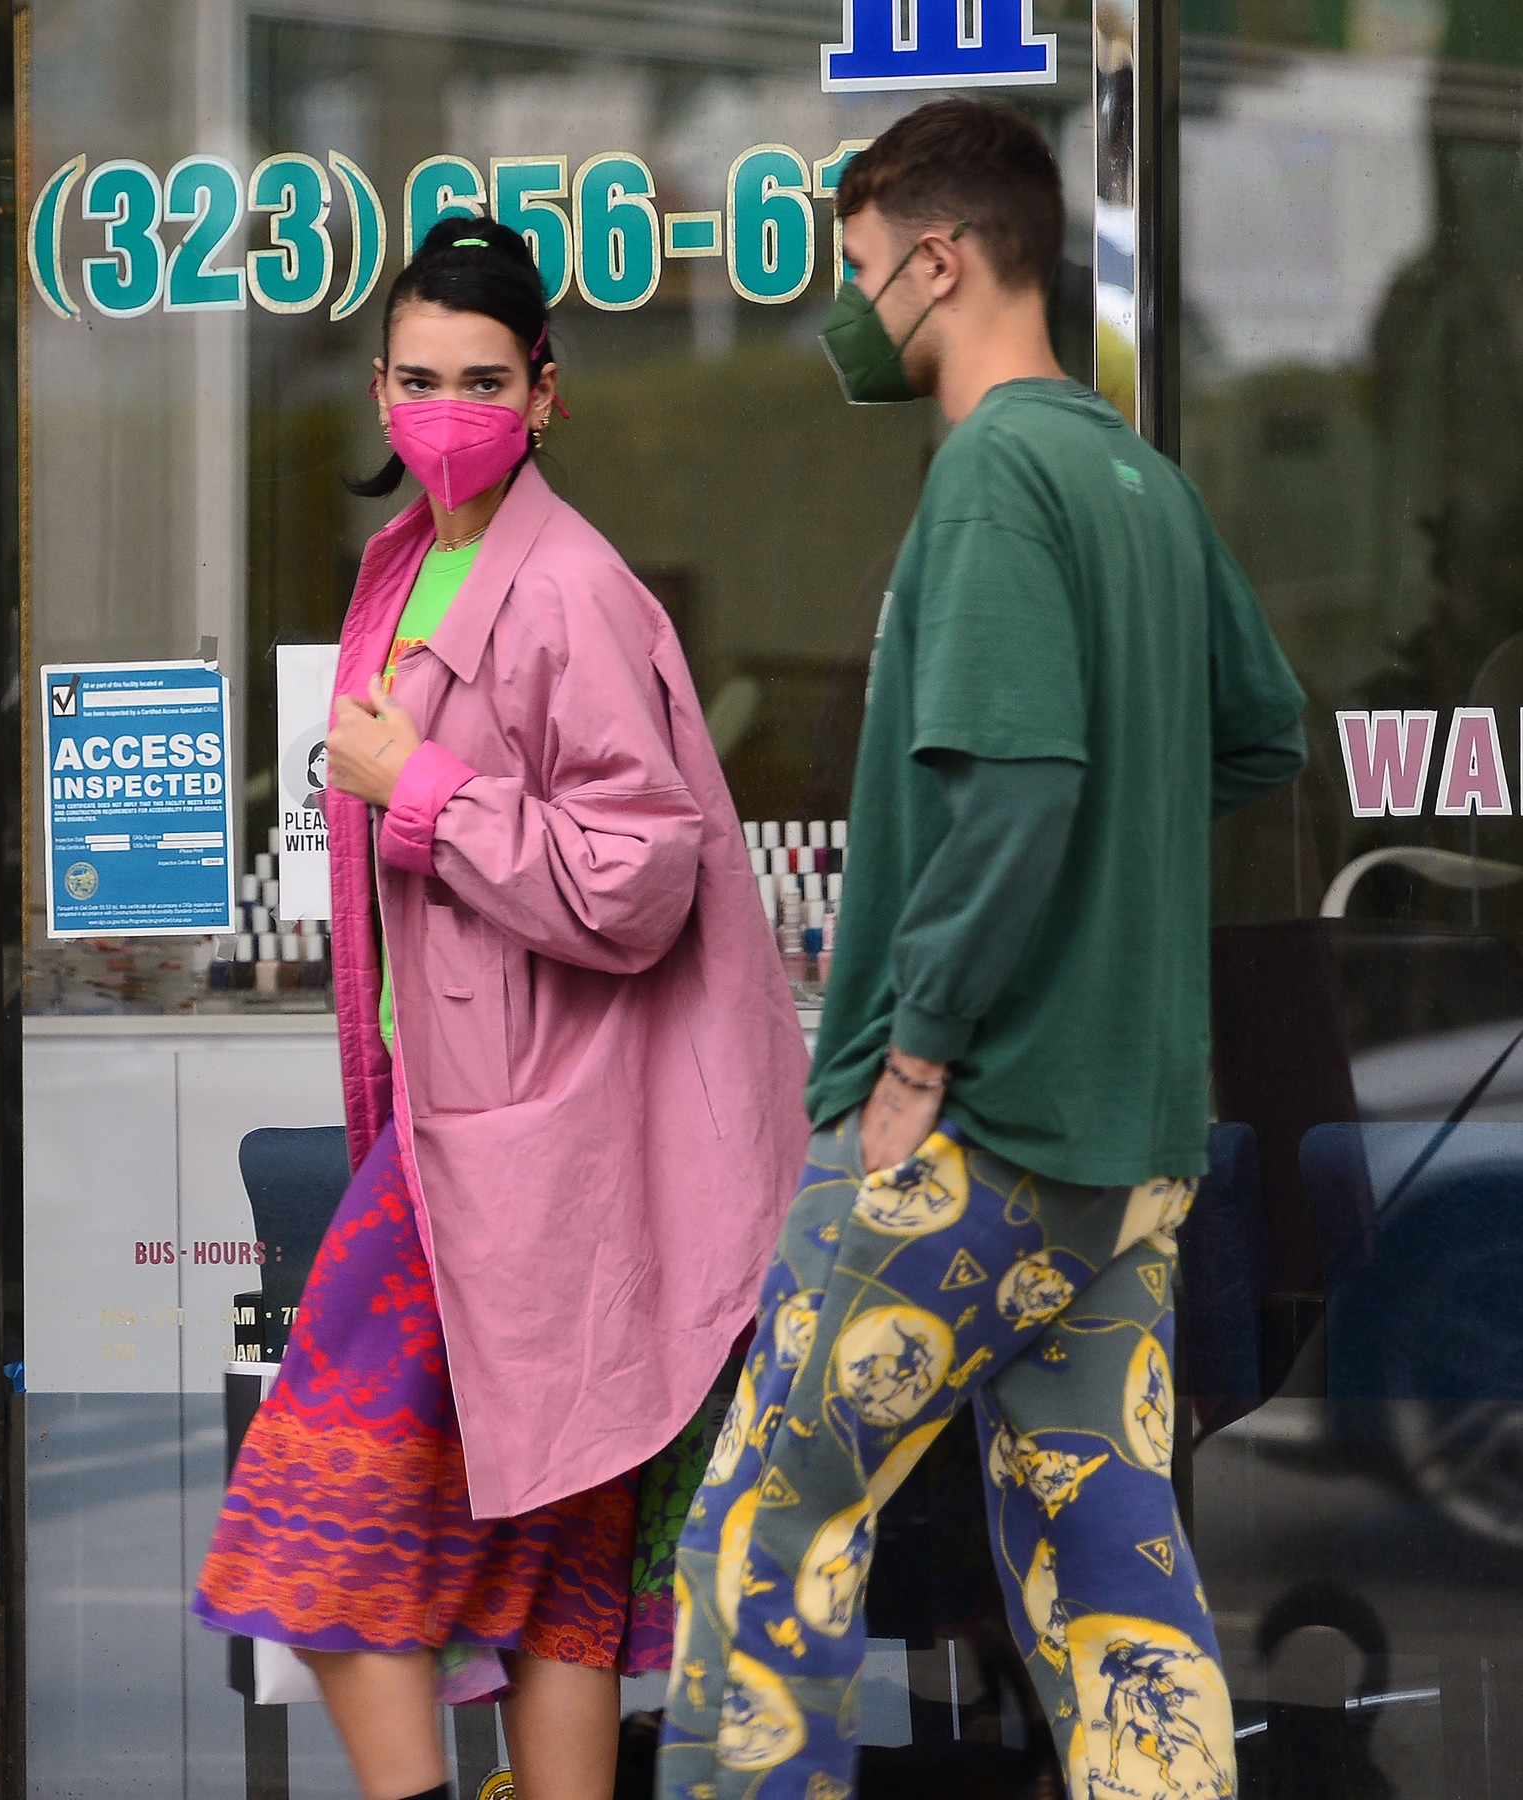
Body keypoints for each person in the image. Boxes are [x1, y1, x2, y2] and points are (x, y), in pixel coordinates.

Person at [658, 98, 1306, 1800]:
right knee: (1111, 1571)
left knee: (763, 1540)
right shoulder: (1135, 479)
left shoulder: (995, 475)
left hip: (970, 1131)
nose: (851, 311)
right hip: (1129, 1153)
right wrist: (1117, 872)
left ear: (939, 260)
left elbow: (1017, 790)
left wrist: (920, 1048)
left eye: (862, 269)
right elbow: (1261, 735)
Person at [194, 216, 808, 1800]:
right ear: (378, 387)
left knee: (312, 1529)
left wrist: (425, 789)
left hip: (535, 1142)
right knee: (554, 1579)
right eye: (415, 377)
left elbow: (641, 879)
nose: (444, 410)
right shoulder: (410, 562)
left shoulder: (570, 587)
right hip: (475, 1123)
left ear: (546, 394)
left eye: (482, 380)